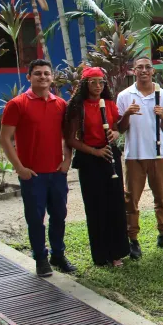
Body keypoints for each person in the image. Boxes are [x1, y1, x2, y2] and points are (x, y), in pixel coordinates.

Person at [0, 59, 73, 277]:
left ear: (52, 77)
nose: (43, 77)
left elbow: (68, 137)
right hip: (32, 175)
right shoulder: (17, 104)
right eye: (38, 73)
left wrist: (67, 159)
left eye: (46, 74)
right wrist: (20, 168)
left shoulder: (61, 104)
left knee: (59, 215)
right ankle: (41, 258)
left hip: (57, 173)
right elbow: (5, 139)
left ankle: (58, 255)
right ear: (29, 77)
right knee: (35, 218)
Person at [64, 67, 129, 267]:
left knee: (115, 205)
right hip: (90, 159)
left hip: (110, 156)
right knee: (96, 207)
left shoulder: (109, 104)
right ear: (85, 84)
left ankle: (117, 253)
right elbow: (71, 139)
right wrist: (95, 152)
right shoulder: (78, 106)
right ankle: (101, 255)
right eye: (93, 82)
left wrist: (115, 135)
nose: (98, 86)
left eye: (101, 82)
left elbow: (117, 128)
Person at [117, 57, 163, 256]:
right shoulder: (125, 95)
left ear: (153, 71)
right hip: (134, 154)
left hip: (159, 154)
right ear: (133, 71)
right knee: (131, 199)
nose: (144, 70)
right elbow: (120, 128)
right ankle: (133, 239)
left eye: (147, 67)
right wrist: (126, 114)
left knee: (162, 196)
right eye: (139, 67)